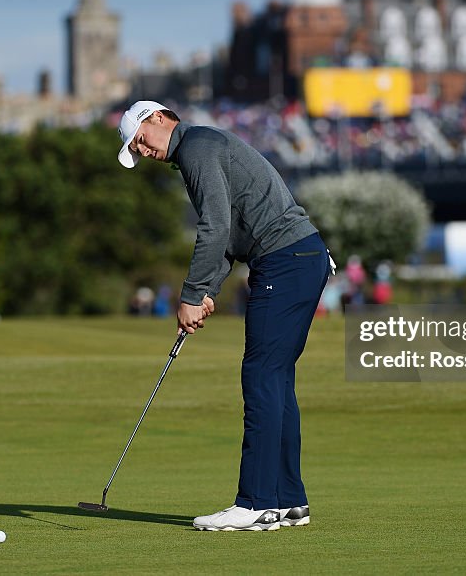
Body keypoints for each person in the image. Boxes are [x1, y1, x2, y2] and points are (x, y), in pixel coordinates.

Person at [117, 99, 332, 532]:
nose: (141, 150)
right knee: (275, 378)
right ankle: (289, 500)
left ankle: (254, 503)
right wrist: (209, 289)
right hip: (301, 258)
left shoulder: (196, 146)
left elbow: (213, 226)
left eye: (139, 140)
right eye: (135, 148)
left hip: (285, 260)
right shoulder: (201, 148)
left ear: (157, 118)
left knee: (260, 376)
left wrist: (192, 294)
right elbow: (232, 233)